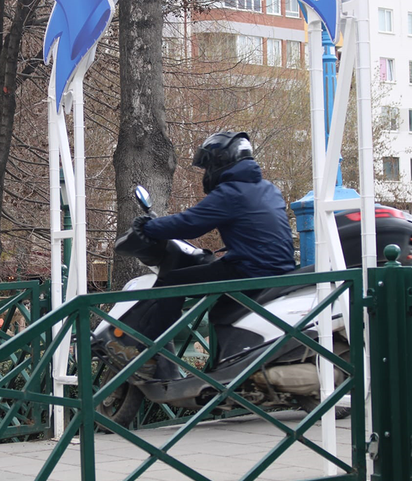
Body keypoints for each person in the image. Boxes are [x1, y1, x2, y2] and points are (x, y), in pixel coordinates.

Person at [105, 131, 296, 378]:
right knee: (222, 308)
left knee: (173, 282)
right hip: (277, 270)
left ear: (220, 161)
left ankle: (148, 349)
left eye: (207, 166)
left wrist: (147, 226)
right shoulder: (268, 189)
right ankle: (227, 367)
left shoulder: (232, 192)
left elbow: (191, 222)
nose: (206, 174)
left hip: (250, 269)